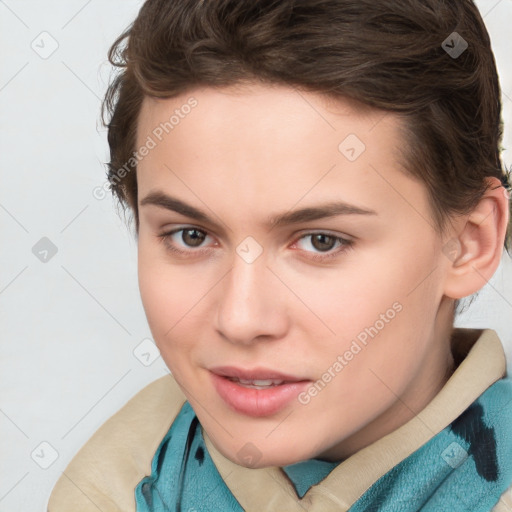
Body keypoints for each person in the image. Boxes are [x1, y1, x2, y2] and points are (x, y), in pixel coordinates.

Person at [48, 0, 512, 510]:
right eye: (191, 236)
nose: (241, 320)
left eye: (321, 241)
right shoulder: (118, 481)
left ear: (470, 242)